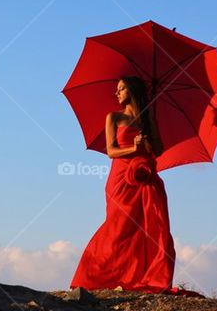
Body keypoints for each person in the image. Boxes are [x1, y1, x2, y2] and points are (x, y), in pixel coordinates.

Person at [70, 75, 176, 293]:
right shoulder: (114, 118)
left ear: (132, 91)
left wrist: (147, 142)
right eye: (116, 89)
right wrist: (134, 149)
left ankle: (140, 275)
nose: (116, 93)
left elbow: (159, 150)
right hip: (121, 179)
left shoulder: (148, 119)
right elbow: (111, 151)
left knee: (150, 227)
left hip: (145, 179)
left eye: (121, 89)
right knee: (118, 227)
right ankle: (94, 273)